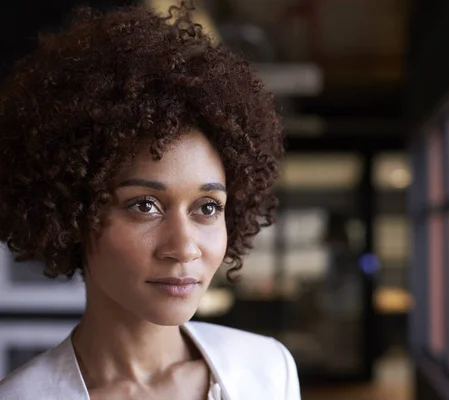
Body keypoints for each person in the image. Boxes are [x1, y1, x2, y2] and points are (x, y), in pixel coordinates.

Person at [0, 3, 300, 400]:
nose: (184, 247)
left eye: (207, 207)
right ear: (71, 212)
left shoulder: (267, 371)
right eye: (145, 205)